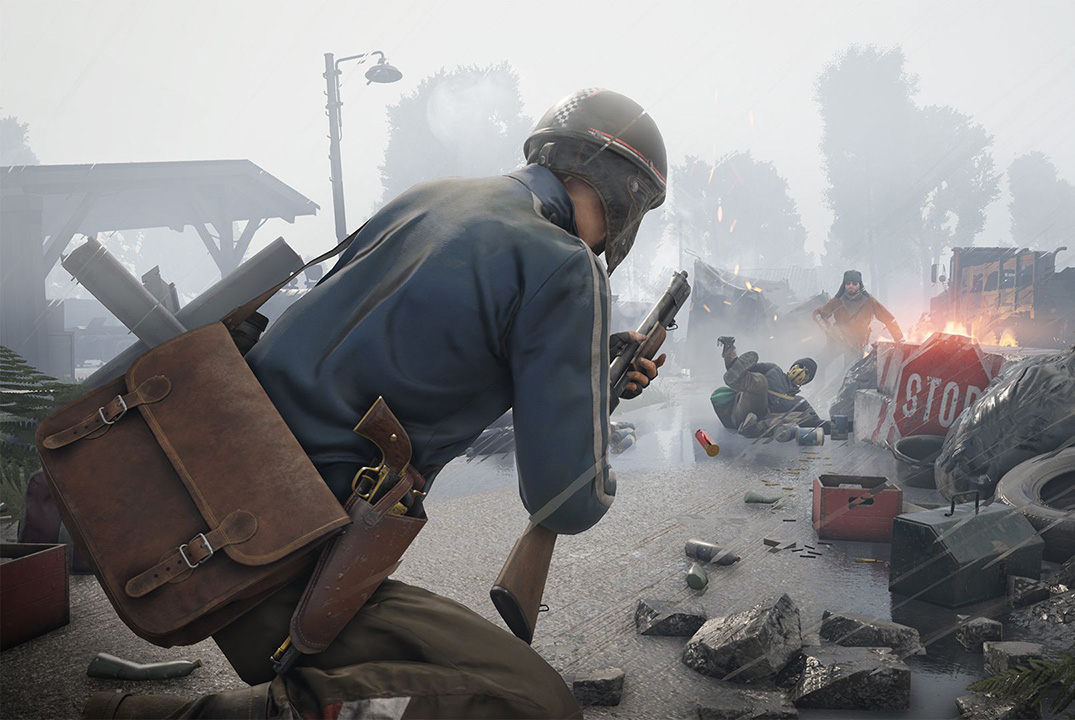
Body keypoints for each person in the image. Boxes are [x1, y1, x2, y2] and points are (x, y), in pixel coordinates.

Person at [83, 89, 667, 720]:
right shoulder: (567, 264)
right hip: (288, 565)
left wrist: (586, 364)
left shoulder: (430, 197)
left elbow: (407, 354)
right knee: (534, 706)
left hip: (202, 510)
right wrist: (591, 419)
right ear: (625, 193)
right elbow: (566, 500)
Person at [710, 336, 823, 440]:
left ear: (806, 381)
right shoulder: (773, 369)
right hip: (743, 408)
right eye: (801, 367)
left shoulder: (799, 402)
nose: (801, 372)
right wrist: (730, 352)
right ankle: (737, 382)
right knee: (760, 381)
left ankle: (752, 429)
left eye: (806, 373)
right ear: (793, 366)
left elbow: (815, 421)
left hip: (757, 421)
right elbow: (739, 369)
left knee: (798, 417)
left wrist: (831, 427)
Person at [811, 269, 904, 361]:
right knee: (819, 362)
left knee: (852, 369)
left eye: (854, 283)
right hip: (838, 340)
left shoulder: (869, 301)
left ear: (859, 284)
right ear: (844, 285)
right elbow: (819, 314)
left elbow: (888, 319)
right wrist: (829, 331)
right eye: (848, 283)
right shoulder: (837, 300)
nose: (851, 285)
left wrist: (899, 339)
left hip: (857, 344)